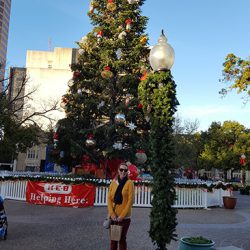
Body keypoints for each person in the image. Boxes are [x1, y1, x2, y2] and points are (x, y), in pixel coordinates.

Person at [107, 162, 135, 250]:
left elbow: (130, 201)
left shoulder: (129, 183)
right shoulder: (113, 182)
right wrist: (111, 213)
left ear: (127, 172)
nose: (123, 172)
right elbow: (109, 199)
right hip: (113, 217)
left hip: (124, 218)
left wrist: (122, 216)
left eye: (125, 170)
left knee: (122, 239)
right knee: (113, 240)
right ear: (118, 171)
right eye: (121, 170)